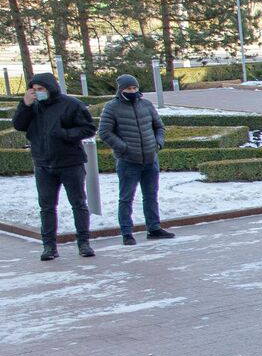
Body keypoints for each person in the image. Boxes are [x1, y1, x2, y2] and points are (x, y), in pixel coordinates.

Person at [12, 71, 97, 261]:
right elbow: (19, 125)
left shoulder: (71, 104)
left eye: (40, 89)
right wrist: (25, 105)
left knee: (78, 204)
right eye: (33, 90)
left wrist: (64, 134)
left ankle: (84, 243)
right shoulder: (32, 106)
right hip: (43, 164)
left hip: (70, 163)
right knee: (47, 207)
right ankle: (49, 246)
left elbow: (89, 128)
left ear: (50, 88)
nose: (37, 93)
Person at [97, 73, 175, 246]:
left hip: (150, 158)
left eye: (134, 88)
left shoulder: (146, 105)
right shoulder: (112, 107)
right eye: (128, 88)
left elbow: (159, 127)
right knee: (126, 198)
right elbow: (104, 132)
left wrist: (158, 144)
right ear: (121, 90)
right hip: (128, 161)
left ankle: (154, 228)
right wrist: (123, 147)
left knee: (151, 195)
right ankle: (126, 232)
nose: (132, 91)